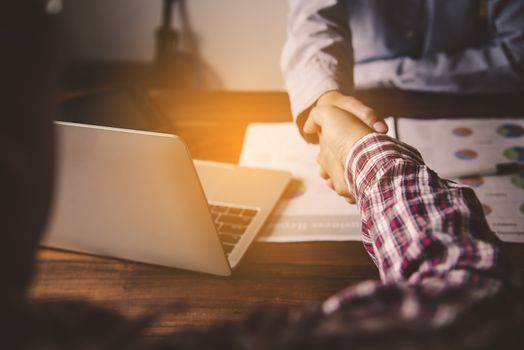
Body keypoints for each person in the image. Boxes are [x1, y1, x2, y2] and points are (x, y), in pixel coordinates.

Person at [281, 0, 524, 141]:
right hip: (356, 100)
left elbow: (517, 54)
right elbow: (312, 24)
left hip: (471, 101)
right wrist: (326, 98)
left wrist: (370, 73)